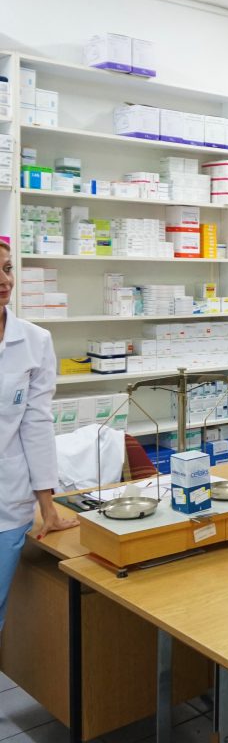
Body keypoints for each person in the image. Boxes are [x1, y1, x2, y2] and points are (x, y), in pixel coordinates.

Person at [0, 239, 78, 631]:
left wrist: (48, 507)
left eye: (7, 269)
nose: (4, 281)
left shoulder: (35, 341)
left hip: (7, 503)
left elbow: (36, 425)